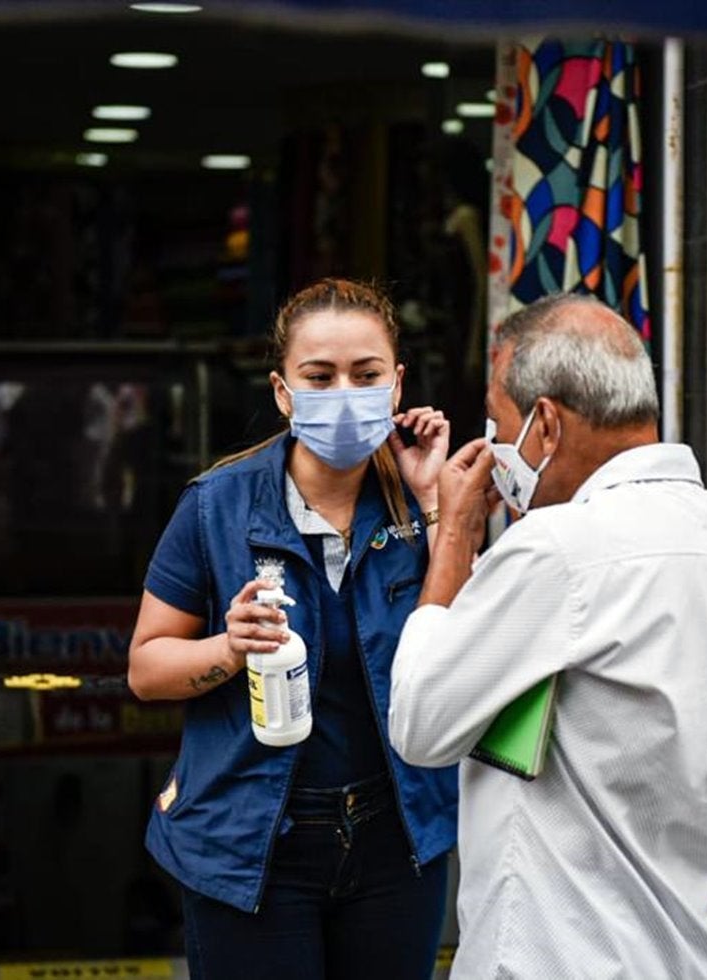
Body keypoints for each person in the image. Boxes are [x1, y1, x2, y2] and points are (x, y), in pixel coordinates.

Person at [387, 292, 707, 977]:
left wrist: (453, 534)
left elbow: (420, 722)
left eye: (500, 426)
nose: (498, 450)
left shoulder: (560, 547)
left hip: (554, 953)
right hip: (677, 949)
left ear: (545, 424)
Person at [128, 278, 459, 979]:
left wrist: (438, 506)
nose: (344, 391)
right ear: (283, 392)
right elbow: (147, 668)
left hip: (394, 840)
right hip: (250, 844)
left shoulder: (425, 505)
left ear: (397, 385)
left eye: (366, 375)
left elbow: (467, 648)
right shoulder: (217, 506)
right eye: (320, 375)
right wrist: (228, 645)